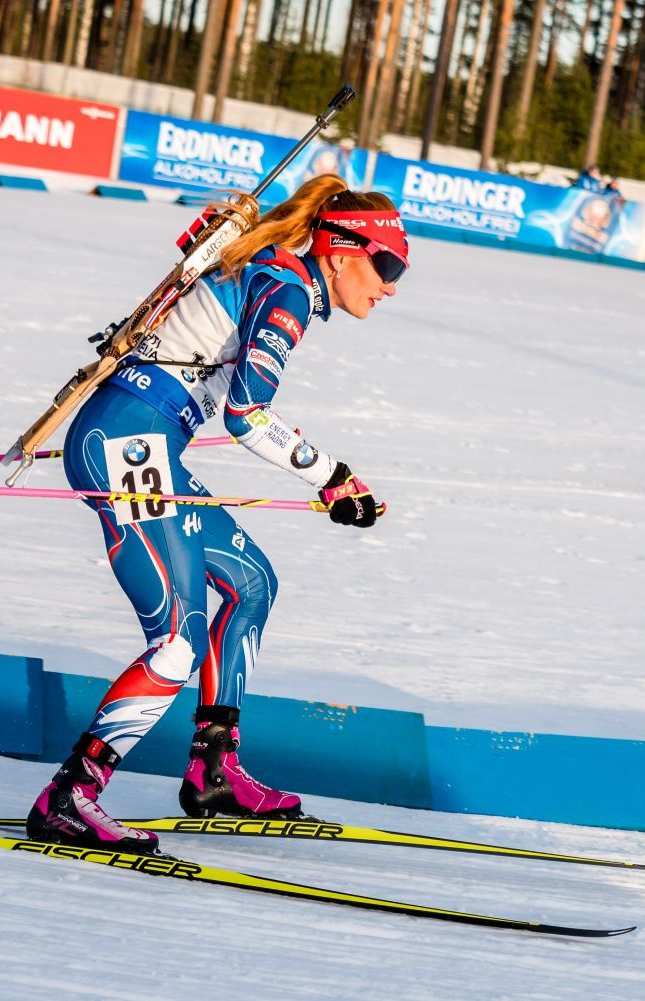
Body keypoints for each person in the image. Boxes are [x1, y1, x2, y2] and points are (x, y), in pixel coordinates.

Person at [27, 174, 409, 854]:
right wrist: (332, 477)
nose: (390, 285)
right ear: (345, 250)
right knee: (176, 642)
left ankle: (213, 771)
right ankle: (70, 796)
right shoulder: (289, 289)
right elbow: (245, 414)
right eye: (387, 265)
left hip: (143, 439)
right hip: (127, 441)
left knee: (251, 582)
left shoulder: (283, 273)